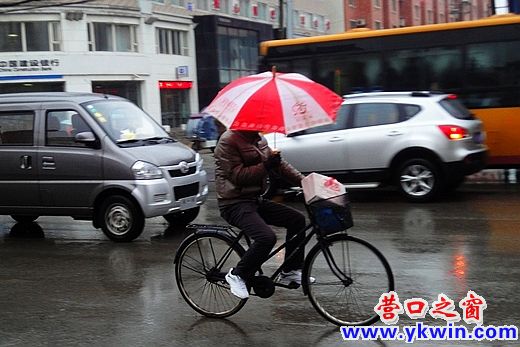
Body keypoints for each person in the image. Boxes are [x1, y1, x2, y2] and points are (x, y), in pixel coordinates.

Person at [214, 129, 312, 299]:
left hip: (254, 199)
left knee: (297, 219)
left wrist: (306, 182)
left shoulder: (259, 139)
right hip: (233, 203)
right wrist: (266, 165)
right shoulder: (228, 141)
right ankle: (237, 274)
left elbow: (281, 166)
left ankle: (290, 270)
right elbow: (237, 176)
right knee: (266, 237)